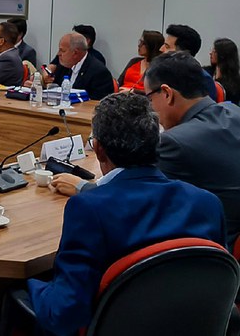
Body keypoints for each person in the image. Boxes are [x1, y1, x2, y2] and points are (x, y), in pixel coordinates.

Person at [26, 93, 226, 336]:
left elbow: (64, 314)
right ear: (157, 143)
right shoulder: (207, 204)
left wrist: (31, 285)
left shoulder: (89, 209)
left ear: (98, 150)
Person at [52, 51, 240, 246]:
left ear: (167, 94)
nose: (150, 108)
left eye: (149, 99)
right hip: (219, 260)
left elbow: (129, 195)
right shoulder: (234, 112)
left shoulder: (176, 141)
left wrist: (82, 187)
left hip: (207, 242)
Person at [41, 32, 114, 100]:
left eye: (62, 51)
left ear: (75, 53)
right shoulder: (63, 65)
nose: (58, 54)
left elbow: (98, 103)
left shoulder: (99, 72)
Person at [160, 23, 217, 100]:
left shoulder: (202, 80)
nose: (161, 49)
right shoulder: (162, 72)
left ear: (183, 53)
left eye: (167, 46)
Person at [207, 38, 240, 104]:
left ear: (222, 55)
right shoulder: (207, 72)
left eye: (214, 51)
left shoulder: (236, 81)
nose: (210, 53)